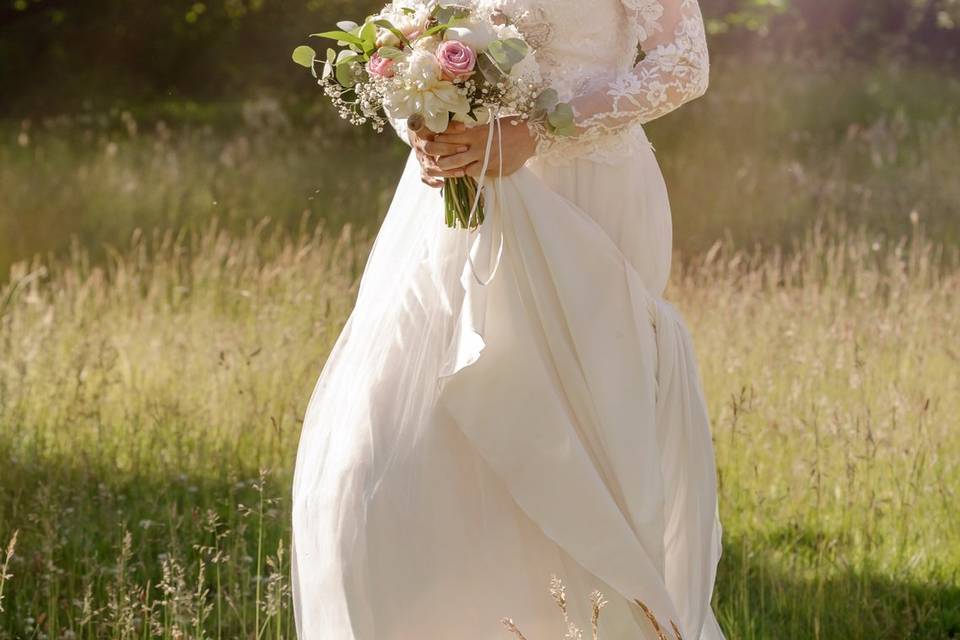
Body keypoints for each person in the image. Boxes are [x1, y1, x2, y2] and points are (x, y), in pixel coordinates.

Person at [292, 0, 725, 638]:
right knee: (386, 437)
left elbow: (683, 65)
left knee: (574, 430)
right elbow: (397, 33)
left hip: (585, 192)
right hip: (454, 193)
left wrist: (539, 132)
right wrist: (420, 112)